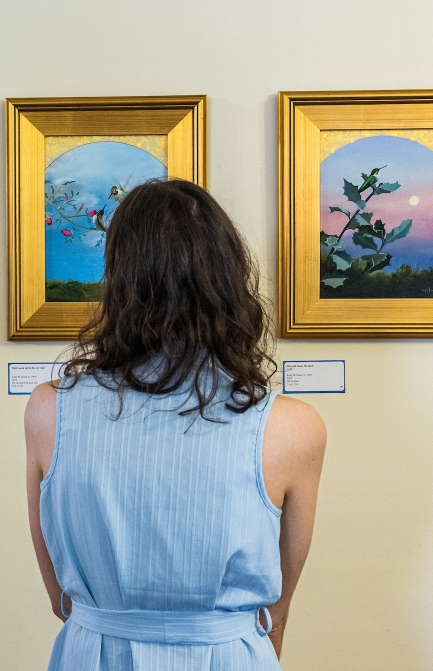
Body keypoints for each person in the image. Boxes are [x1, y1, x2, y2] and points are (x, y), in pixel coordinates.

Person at [25, 180, 326, 670]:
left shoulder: (48, 409)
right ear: (230, 278)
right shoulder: (293, 426)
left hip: (96, 652)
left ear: (118, 279)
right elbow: (276, 607)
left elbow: (62, 597)